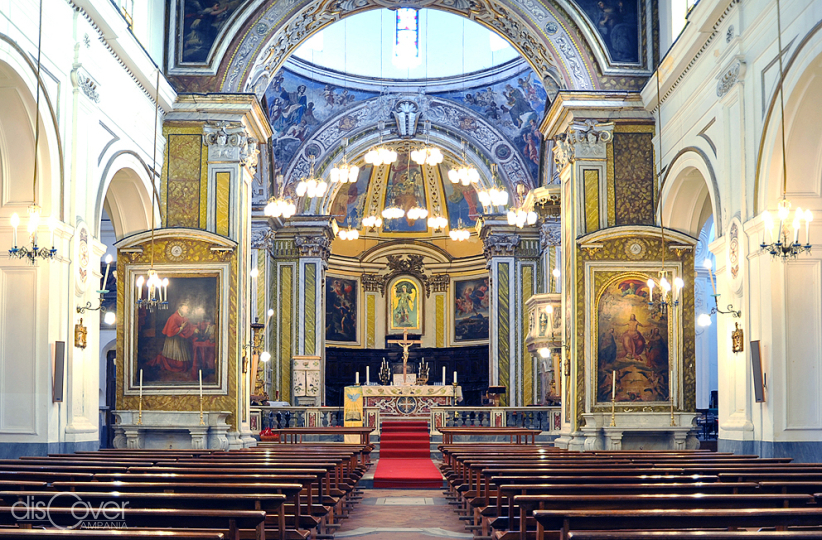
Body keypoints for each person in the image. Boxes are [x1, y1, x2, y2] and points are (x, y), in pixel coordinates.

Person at [149, 302, 196, 372]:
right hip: (174, 340)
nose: (187, 311)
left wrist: (194, 329)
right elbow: (172, 331)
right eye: (186, 309)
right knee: (177, 357)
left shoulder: (184, 317)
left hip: (181, 340)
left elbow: (190, 325)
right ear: (180, 308)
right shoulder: (173, 317)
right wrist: (181, 328)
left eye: (187, 309)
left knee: (183, 356)